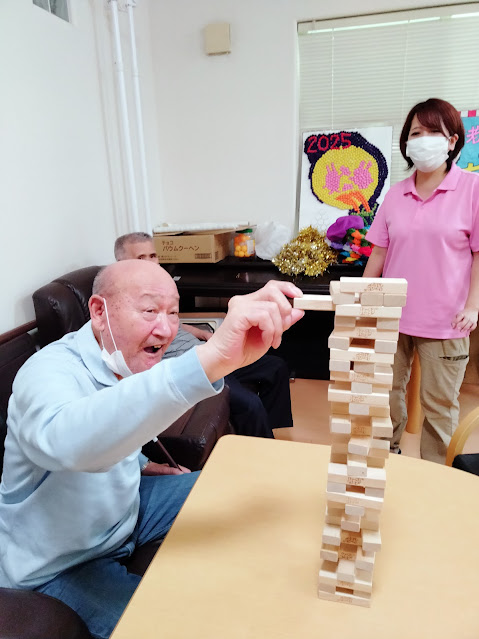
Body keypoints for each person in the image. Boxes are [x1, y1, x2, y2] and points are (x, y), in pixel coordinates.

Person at [0, 259, 304, 639]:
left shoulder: (122, 360)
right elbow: (70, 440)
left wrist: (145, 464)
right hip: (61, 562)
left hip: (127, 511)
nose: (166, 328)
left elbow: (122, 424)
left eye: (173, 313)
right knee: (174, 628)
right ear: (99, 311)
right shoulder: (46, 372)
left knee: (246, 490)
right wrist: (209, 360)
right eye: (149, 311)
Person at [364, 98, 479, 464]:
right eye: (415, 132)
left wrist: (473, 306)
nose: (423, 139)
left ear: (452, 140)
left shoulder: (472, 189)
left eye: (433, 131)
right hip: (391, 316)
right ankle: (387, 461)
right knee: (385, 396)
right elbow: (378, 254)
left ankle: (436, 475)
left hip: (447, 320)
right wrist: (361, 300)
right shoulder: (395, 194)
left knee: (439, 406)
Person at [114, 232, 295, 437]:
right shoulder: (122, 303)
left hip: (206, 351)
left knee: (276, 367)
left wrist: (202, 333)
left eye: (153, 256)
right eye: (141, 258)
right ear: (121, 263)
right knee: (250, 405)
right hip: (193, 367)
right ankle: (262, 448)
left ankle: (270, 432)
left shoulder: (158, 291)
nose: (150, 263)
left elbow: (174, 324)